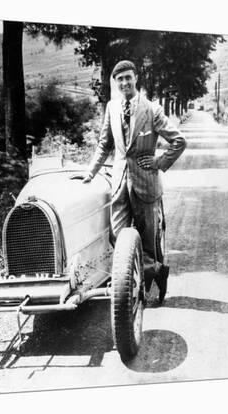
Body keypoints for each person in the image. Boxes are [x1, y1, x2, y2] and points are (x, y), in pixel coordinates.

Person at [82, 60, 186, 304]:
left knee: (148, 241)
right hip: (119, 183)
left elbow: (179, 141)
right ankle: (157, 270)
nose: (125, 83)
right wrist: (90, 173)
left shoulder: (152, 110)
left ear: (136, 78)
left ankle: (142, 290)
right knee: (117, 237)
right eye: (120, 79)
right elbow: (104, 144)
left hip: (146, 184)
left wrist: (159, 162)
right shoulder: (111, 107)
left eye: (128, 78)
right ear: (115, 83)